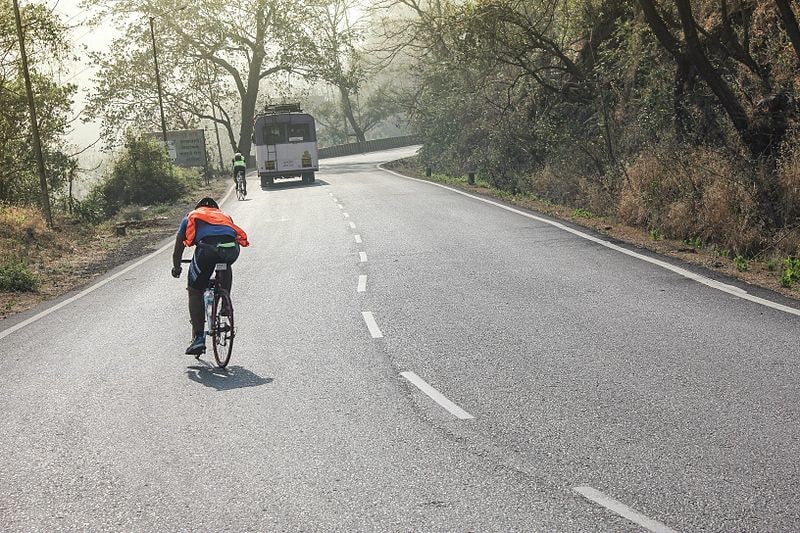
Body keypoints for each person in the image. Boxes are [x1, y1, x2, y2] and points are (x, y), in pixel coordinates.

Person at [171, 197, 249, 355]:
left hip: (207, 250)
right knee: (224, 264)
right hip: (231, 250)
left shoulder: (192, 215)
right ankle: (226, 302)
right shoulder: (224, 215)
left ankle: (199, 338)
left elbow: (179, 245)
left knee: (195, 290)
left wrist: (177, 266)